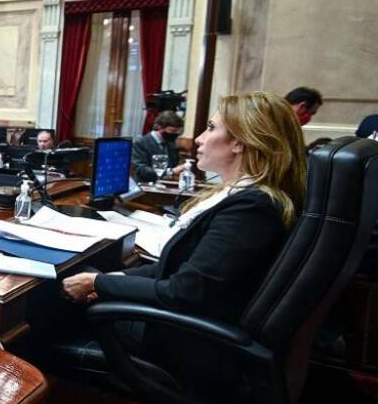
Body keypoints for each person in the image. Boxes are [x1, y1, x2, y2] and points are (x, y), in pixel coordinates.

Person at [57, 92, 306, 326]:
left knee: (50, 300)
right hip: (180, 317)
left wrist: (99, 283)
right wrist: (111, 281)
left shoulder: (251, 209)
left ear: (240, 142)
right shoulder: (248, 198)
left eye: (210, 128)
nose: (198, 138)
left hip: (179, 336)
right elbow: (175, 269)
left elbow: (184, 291)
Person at [131, 110, 184, 184]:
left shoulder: (170, 144)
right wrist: (170, 172)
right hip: (146, 185)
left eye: (177, 132)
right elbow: (141, 170)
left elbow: (174, 164)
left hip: (166, 184)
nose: (175, 134)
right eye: (172, 131)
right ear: (160, 128)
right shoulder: (141, 143)